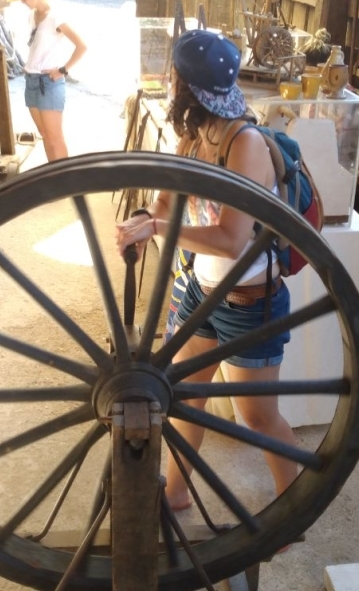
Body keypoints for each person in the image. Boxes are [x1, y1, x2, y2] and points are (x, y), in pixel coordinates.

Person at [115, 29, 298, 510]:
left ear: (184, 86)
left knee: (258, 418)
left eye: (173, 76)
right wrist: (144, 218)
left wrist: (156, 228)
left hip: (248, 300)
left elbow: (232, 240)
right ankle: (175, 494)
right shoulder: (193, 139)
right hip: (201, 290)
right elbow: (164, 202)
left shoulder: (245, 144)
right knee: (187, 398)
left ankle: (292, 506)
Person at [8, 0, 87, 161]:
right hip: (31, 80)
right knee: (45, 137)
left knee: (54, 138)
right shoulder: (32, 16)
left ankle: (64, 182)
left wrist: (62, 70)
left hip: (49, 82)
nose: (22, 2)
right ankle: (54, 179)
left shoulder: (55, 16)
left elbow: (81, 46)